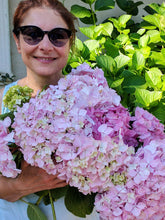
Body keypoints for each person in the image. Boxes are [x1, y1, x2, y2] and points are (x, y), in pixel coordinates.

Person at [0, 0, 99, 219]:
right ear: (17, 41)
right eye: (32, 34)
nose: (45, 45)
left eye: (58, 35)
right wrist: (20, 185)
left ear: (70, 42)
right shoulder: (0, 103)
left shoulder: (95, 98)